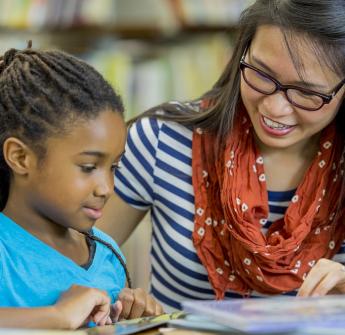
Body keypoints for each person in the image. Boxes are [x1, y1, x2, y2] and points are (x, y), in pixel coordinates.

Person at [97, 0, 345, 312]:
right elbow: (74, 271)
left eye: (307, 93)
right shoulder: (161, 141)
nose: (274, 108)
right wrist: (120, 305)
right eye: (262, 74)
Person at [0, 45, 163, 329]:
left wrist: (134, 321)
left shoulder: (108, 253)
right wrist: (57, 317)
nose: (106, 188)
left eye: (114, 167)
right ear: (20, 157)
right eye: (88, 167)